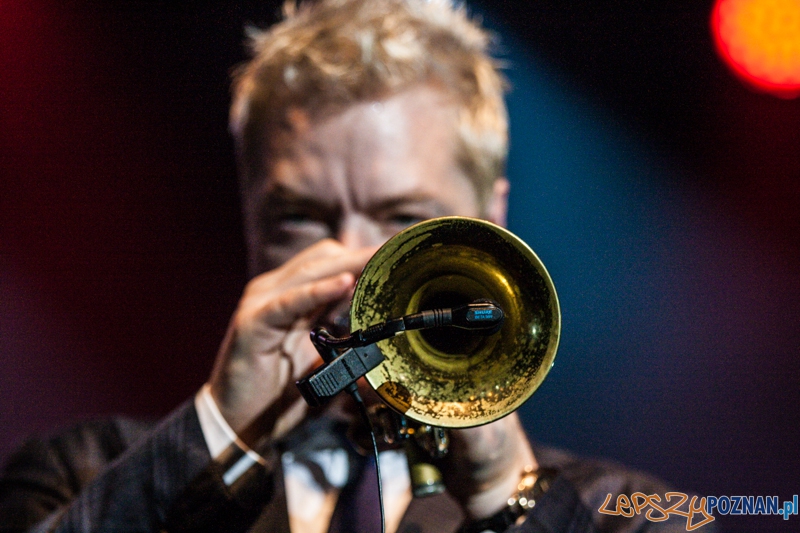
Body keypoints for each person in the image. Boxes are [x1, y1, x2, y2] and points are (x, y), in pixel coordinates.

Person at [0, 1, 711, 532]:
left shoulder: (632, 512)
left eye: (403, 219)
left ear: (489, 222)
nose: (351, 266)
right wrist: (215, 433)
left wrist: (506, 494)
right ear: (250, 221)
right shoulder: (78, 471)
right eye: (301, 219)